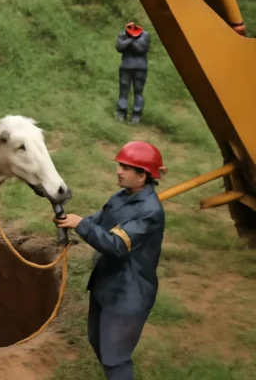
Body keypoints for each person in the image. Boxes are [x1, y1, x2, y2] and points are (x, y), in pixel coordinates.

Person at [54, 141, 167, 380]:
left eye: (126, 167)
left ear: (143, 176)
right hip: (107, 284)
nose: (119, 171)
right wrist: (72, 222)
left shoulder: (150, 212)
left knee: (116, 358)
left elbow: (116, 245)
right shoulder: (122, 196)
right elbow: (99, 221)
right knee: (99, 343)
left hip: (129, 294)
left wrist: (80, 225)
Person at [115, 22, 150, 124]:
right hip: (126, 66)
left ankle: (136, 115)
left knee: (138, 92)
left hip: (140, 67)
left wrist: (133, 39)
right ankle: (121, 113)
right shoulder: (123, 34)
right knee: (123, 91)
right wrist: (130, 39)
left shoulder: (145, 35)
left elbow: (141, 49)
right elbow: (119, 47)